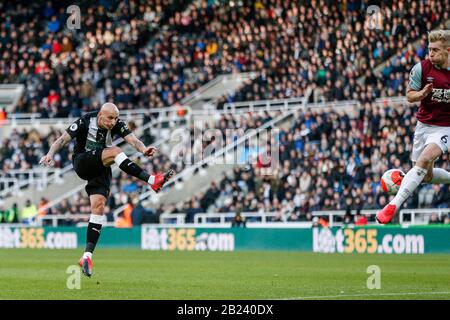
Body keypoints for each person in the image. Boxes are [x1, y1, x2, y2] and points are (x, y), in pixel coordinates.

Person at [39, 102, 174, 277]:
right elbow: (63, 139)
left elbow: (132, 139)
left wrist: (143, 149)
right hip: (82, 161)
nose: (113, 122)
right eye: (110, 118)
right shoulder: (85, 121)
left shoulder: (116, 123)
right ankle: (152, 180)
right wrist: (50, 154)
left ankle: (86, 255)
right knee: (115, 151)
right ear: (100, 115)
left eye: (116, 118)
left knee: (99, 208)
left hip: (101, 166)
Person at [377, 30, 450, 224]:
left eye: (435, 50)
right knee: (426, 175)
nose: (431, 54)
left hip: (445, 128)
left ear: (448, 51)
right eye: (429, 49)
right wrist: (422, 94)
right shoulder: (421, 69)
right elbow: (410, 95)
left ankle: (393, 205)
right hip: (423, 126)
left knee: (425, 159)